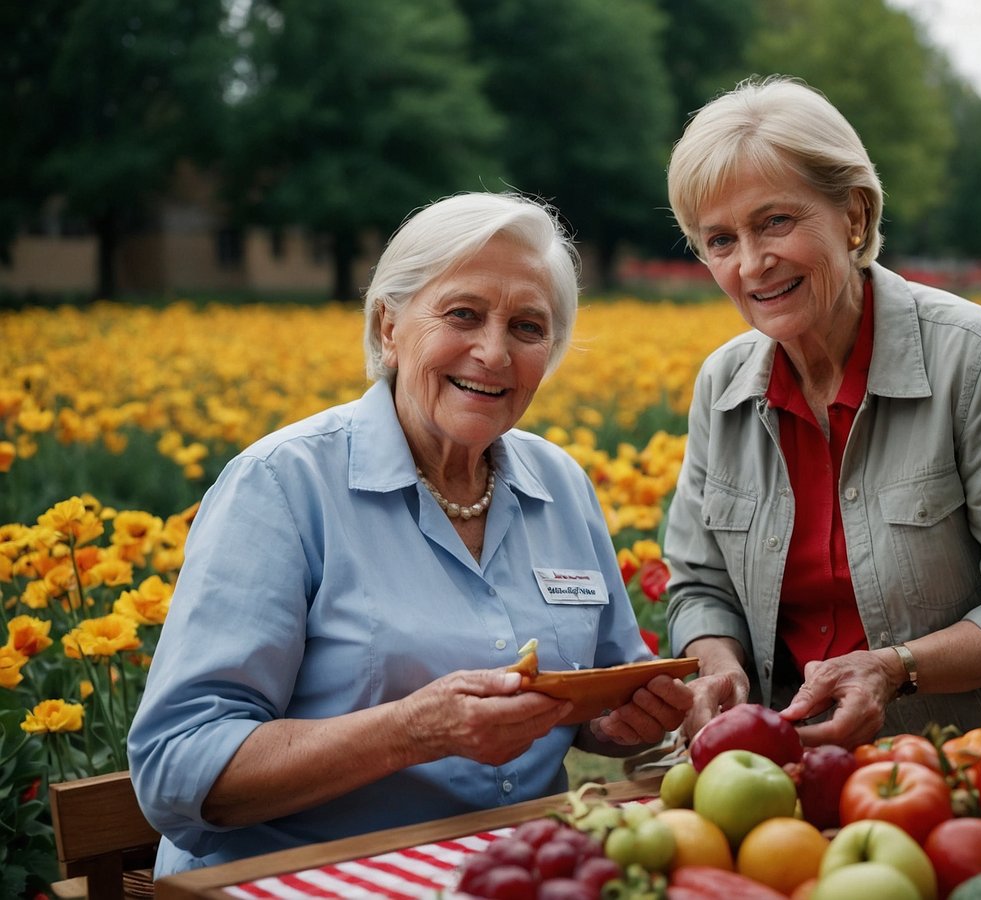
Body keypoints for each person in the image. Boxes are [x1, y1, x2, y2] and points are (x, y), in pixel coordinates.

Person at [128, 192, 693, 875]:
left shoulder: (561, 485)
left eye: (527, 326)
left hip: (509, 875)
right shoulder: (283, 485)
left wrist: (615, 722)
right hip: (302, 881)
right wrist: (409, 732)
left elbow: (600, 694)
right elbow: (174, 768)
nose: (494, 351)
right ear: (388, 327)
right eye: (463, 314)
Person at [662, 76, 981, 750]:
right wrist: (721, 666)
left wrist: (894, 670)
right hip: (805, 768)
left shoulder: (979, 359)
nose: (752, 264)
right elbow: (700, 585)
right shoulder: (722, 386)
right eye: (720, 240)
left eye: (775, 222)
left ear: (853, 214)